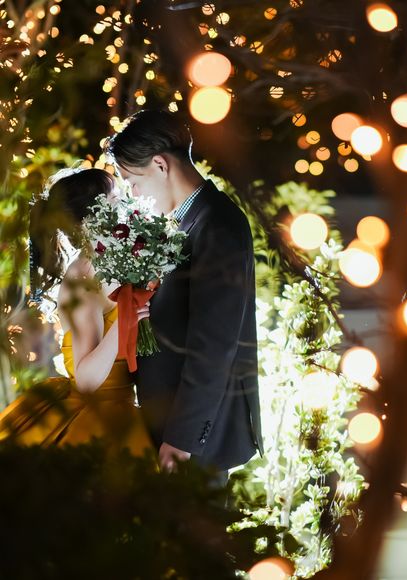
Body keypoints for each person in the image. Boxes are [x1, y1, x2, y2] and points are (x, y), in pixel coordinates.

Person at [105, 110, 263, 478]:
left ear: (160, 165)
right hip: (167, 422)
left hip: (192, 441)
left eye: (132, 181)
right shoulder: (182, 221)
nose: (134, 194)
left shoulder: (217, 224)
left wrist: (182, 439)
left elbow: (214, 345)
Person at [0, 167, 152, 455]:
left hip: (128, 403)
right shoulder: (81, 282)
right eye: (115, 198)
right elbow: (86, 380)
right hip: (98, 416)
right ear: (90, 219)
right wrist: (126, 319)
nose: (125, 203)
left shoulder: (116, 261)